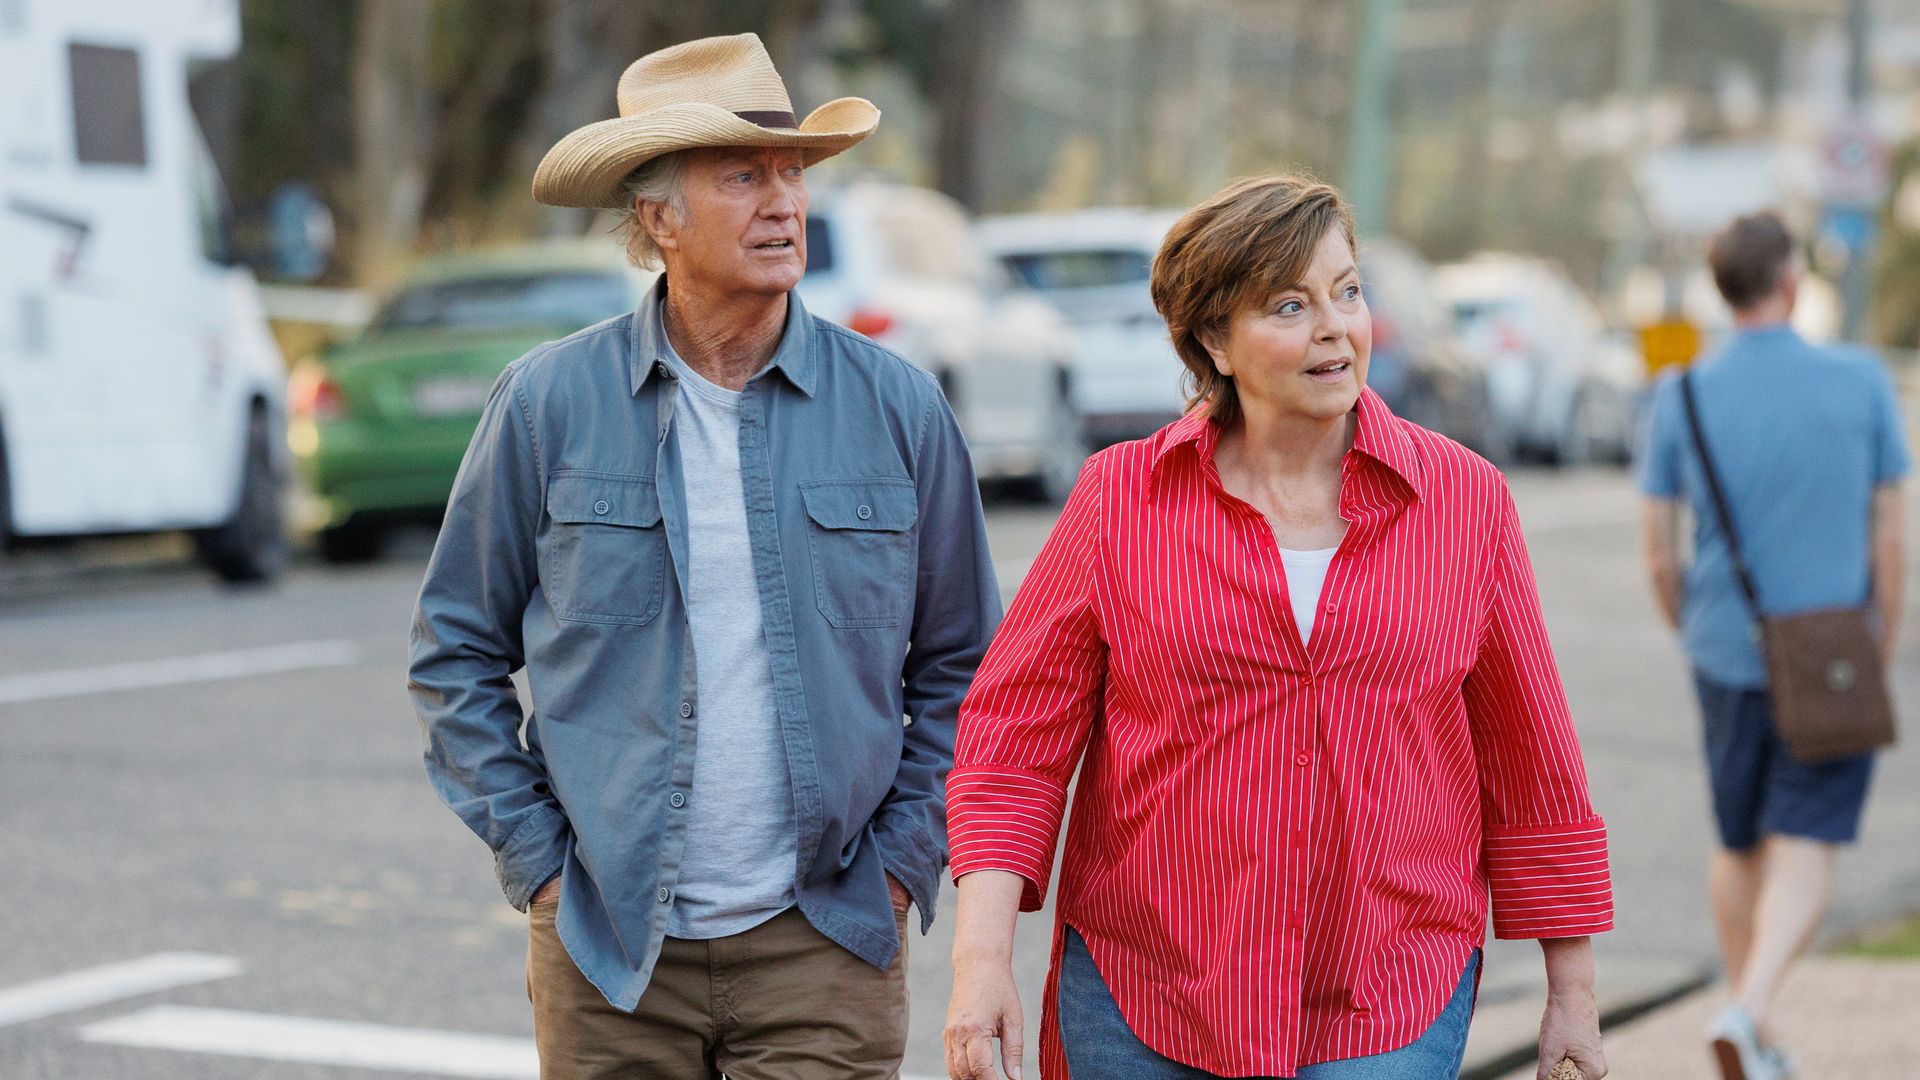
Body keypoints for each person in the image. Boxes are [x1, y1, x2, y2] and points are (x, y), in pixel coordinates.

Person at [408, 33, 1000, 1080]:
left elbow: (966, 667)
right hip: (610, 948)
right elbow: (454, 650)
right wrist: (541, 867)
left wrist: (902, 867)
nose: (784, 204)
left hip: (828, 939)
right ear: (655, 218)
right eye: (742, 177)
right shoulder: (551, 404)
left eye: (791, 175)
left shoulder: (898, 407)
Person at [942, 174, 1613, 1080]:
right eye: (1290, 304)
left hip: (1389, 994)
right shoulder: (1118, 501)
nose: (1335, 326)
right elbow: (1012, 747)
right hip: (1147, 993)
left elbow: (1531, 759)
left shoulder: (1467, 503)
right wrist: (981, 967)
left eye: (1348, 291)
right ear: (1213, 340)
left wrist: (1571, 993)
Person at [1638, 210, 1909, 1080]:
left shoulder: (1679, 392)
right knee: (1808, 836)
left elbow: (1657, 545)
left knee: (1740, 840)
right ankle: (1748, 1010)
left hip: (1725, 646)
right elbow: (1890, 535)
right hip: (1832, 648)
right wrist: (1881, 639)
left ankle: (1745, 1012)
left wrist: (1691, 627)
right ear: (1791, 282)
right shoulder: (1861, 379)